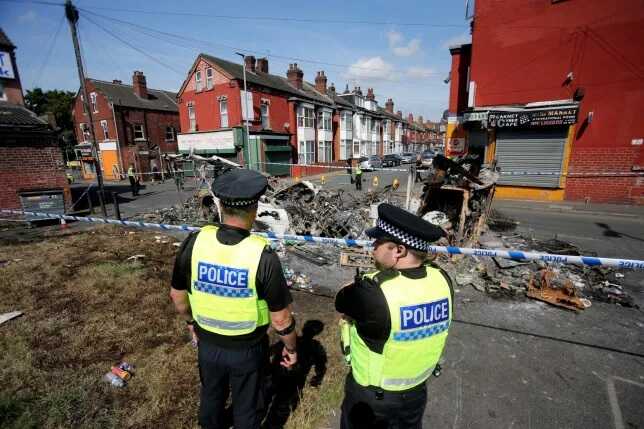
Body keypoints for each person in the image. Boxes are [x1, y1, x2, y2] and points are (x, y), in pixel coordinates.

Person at [170, 169, 298, 429]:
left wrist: (190, 323)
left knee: (211, 397)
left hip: (207, 342)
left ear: (220, 205)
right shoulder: (263, 256)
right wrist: (291, 348)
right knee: (246, 407)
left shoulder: (195, 242)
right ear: (254, 208)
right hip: (247, 350)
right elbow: (281, 317)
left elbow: (178, 296)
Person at [335, 203, 454, 429]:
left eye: (379, 242)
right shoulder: (443, 280)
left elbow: (341, 300)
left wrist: (363, 281)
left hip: (372, 402)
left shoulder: (372, 292)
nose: (373, 247)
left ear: (398, 250)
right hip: (416, 393)